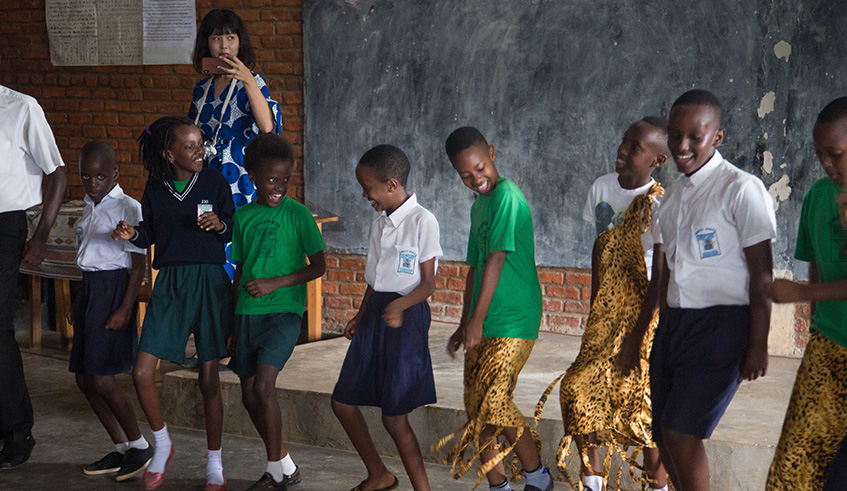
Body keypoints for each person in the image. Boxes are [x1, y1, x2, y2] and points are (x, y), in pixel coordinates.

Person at [644, 90, 776, 490]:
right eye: (675, 134)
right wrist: (659, 330)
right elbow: (667, 272)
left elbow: (761, 274)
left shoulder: (741, 189)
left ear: (717, 137)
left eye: (695, 136)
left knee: (683, 432)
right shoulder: (671, 199)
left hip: (724, 325)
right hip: (676, 326)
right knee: (665, 435)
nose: (682, 146)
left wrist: (758, 341)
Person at [543, 118, 669, 491]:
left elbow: (660, 278)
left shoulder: (659, 203)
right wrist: (595, 308)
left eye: (635, 147)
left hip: (644, 313)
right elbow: (600, 251)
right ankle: (593, 481)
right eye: (624, 141)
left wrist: (639, 335)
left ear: (657, 159)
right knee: (577, 390)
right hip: (605, 312)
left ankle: (658, 487)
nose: (623, 151)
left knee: (641, 407)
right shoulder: (600, 187)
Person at [112, 116, 235, 491]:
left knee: (209, 378)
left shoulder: (214, 181)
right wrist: (134, 234)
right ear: (169, 154)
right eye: (191, 146)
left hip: (211, 281)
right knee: (142, 372)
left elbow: (231, 224)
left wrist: (220, 224)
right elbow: (151, 230)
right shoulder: (155, 188)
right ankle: (162, 444)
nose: (201, 151)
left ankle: (215, 463)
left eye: (201, 144)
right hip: (171, 284)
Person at [435, 127, 553, 491]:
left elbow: (497, 261)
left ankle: (538, 477)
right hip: (484, 318)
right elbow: (475, 267)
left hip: (515, 315)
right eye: (465, 175)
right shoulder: (480, 206)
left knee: (495, 401)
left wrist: (478, 320)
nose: (476, 179)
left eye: (480, 168)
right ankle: (498, 486)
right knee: (478, 409)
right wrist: (464, 322)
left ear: (492, 153)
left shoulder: (507, 197)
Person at [332, 144, 442, 491]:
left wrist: (400, 306)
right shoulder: (379, 221)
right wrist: (360, 314)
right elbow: (376, 278)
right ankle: (379, 474)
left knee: (394, 417)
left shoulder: (423, 221)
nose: (366, 195)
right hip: (376, 314)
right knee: (342, 402)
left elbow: (428, 284)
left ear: (392, 184)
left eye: (369, 188)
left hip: (407, 317)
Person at [228, 133, 326, 490]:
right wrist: (232, 322)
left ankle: (273, 471)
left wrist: (276, 283)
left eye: (286, 180)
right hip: (246, 314)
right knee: (248, 394)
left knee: (265, 386)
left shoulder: (298, 214)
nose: (279, 187)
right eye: (271, 180)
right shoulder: (244, 217)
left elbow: (318, 266)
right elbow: (240, 271)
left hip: (284, 313)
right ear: (252, 176)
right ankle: (284, 464)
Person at [765, 97, 847, 489]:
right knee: (794, 467)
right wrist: (816, 319)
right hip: (828, 347)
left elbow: (812, 281)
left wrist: (800, 292)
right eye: (820, 155)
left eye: (836, 154)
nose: (827, 164)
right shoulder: (817, 197)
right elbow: (815, 260)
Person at [68, 141, 153, 481]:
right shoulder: (88, 205)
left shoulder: (128, 208)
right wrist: (79, 302)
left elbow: (137, 265)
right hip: (91, 290)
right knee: (84, 378)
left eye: (101, 176)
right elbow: (88, 259)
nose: (92, 183)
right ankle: (121, 449)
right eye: (86, 176)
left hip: (115, 291)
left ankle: (140, 444)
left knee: (102, 378)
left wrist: (124, 309)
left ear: (115, 174)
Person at [0, 84, 67, 470]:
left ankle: (17, 431)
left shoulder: (22, 107)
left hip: (6, 226)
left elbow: (56, 173)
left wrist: (40, 235)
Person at [188, 8, 282, 278]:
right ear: (206, 43)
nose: (224, 46)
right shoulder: (201, 89)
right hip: (205, 182)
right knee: (207, 246)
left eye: (231, 38)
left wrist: (247, 79)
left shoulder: (253, 82)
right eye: (216, 39)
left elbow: (268, 128)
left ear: (241, 42)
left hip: (239, 183)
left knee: (238, 253)